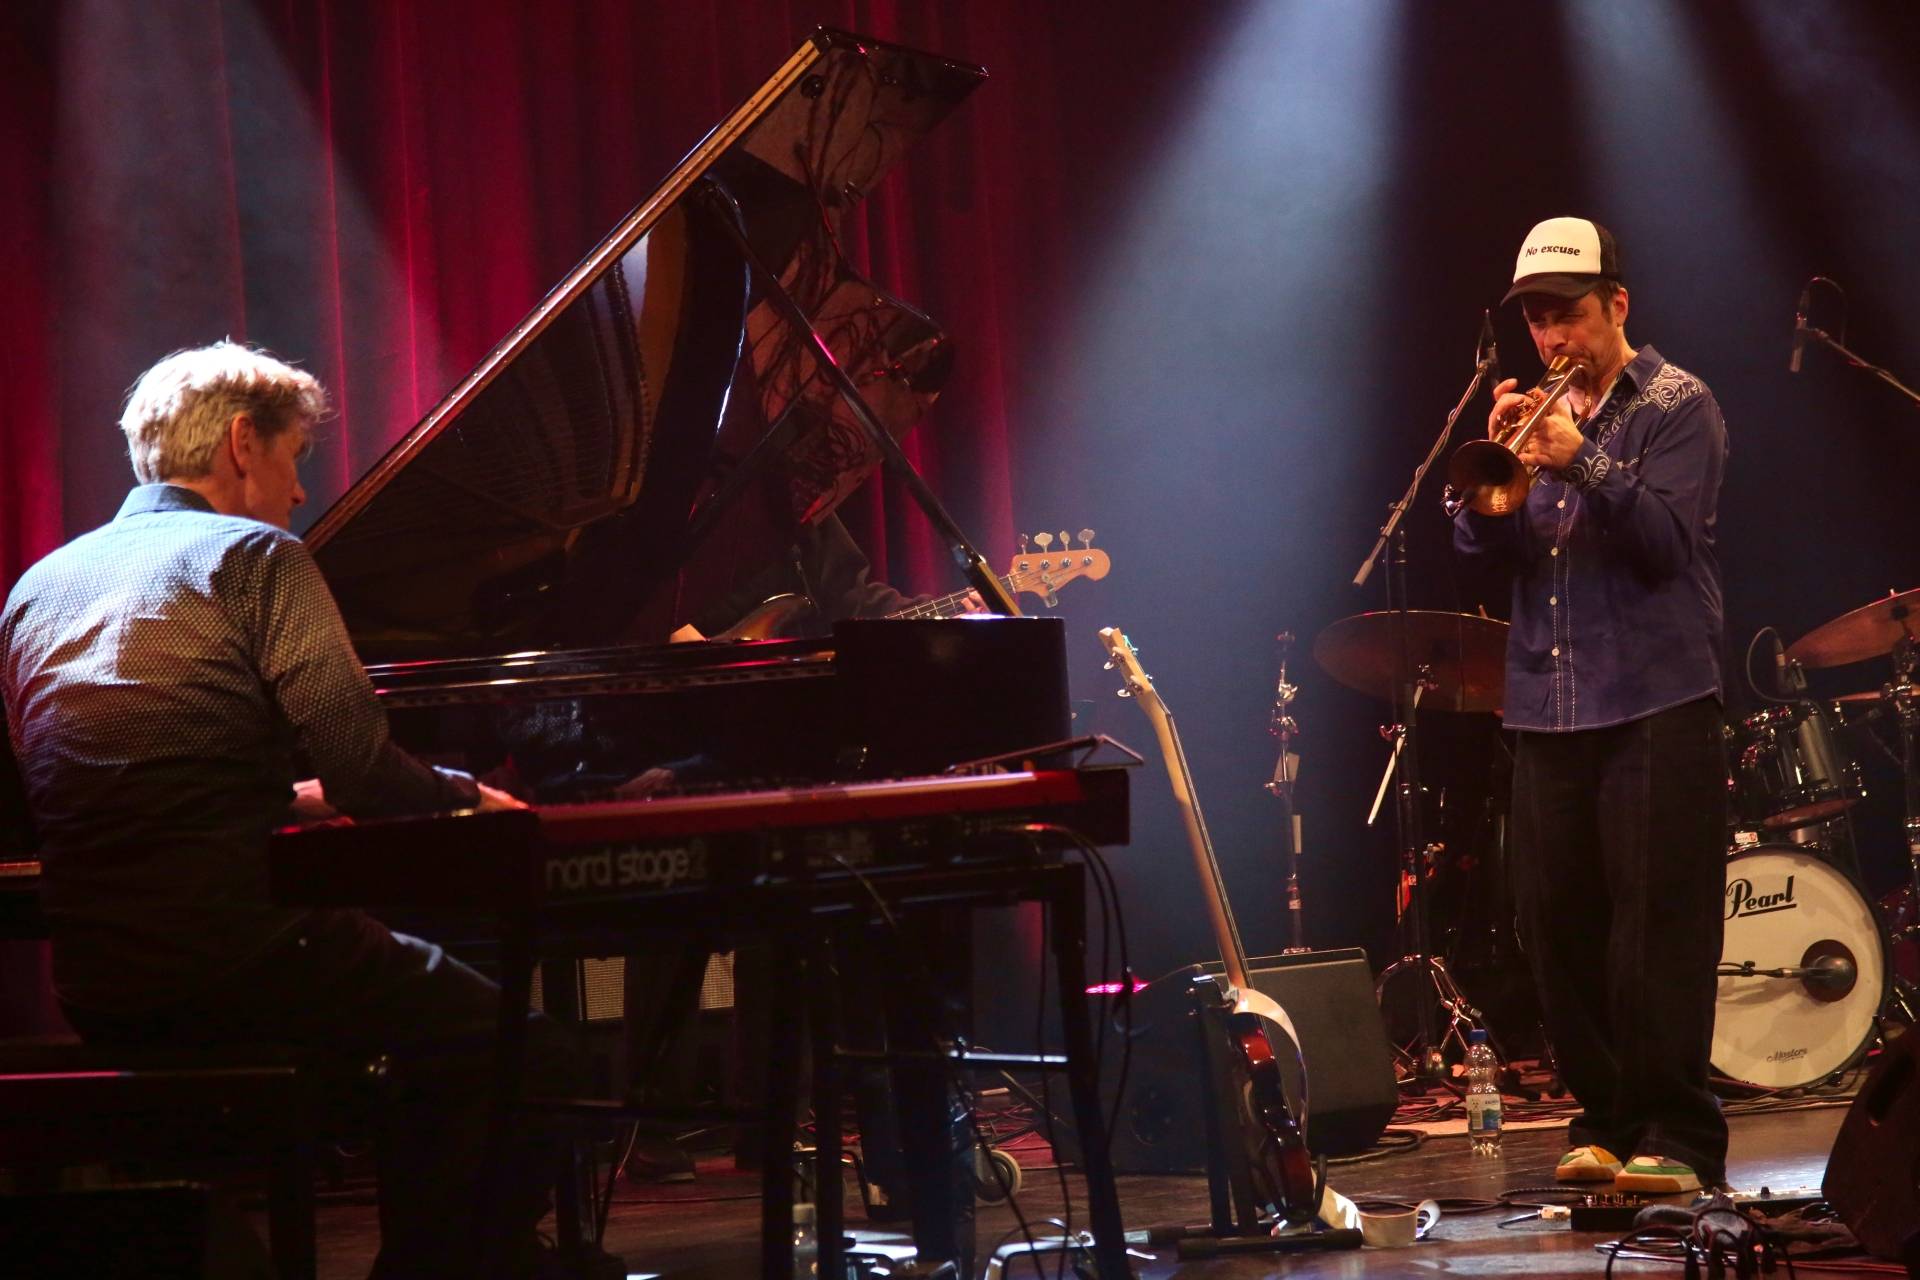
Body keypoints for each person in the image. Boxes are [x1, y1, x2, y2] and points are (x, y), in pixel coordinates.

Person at [0, 342, 580, 1277]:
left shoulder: (39, 585)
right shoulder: (257, 556)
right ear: (242, 442)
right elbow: (364, 773)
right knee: (518, 1048)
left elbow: (72, 783)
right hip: (244, 960)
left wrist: (271, 799)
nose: (302, 490)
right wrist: (466, 796)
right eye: (295, 457)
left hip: (103, 982)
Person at [1452, 217, 1730, 1194]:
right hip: (1546, 703)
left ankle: (1680, 1135)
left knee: (1658, 926)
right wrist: (1497, 472)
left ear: (1617, 303)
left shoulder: (1679, 403)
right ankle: (1606, 1120)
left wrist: (1582, 460)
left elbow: (1667, 544)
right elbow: (1481, 555)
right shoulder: (1535, 415)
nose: (1552, 336)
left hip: (1656, 696)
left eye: (1567, 313)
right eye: (1536, 319)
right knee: (1556, 924)